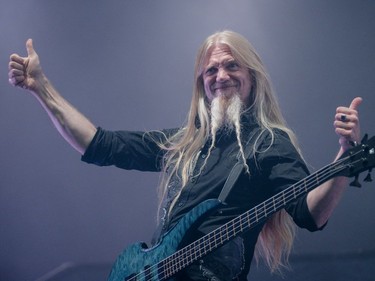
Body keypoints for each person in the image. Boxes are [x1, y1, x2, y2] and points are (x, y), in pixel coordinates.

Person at [8, 30, 362, 280]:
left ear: (252, 77)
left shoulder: (268, 143)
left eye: (232, 66)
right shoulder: (182, 143)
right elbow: (99, 144)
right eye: (211, 70)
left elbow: (311, 214)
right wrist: (42, 88)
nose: (221, 76)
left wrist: (345, 159)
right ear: (202, 84)